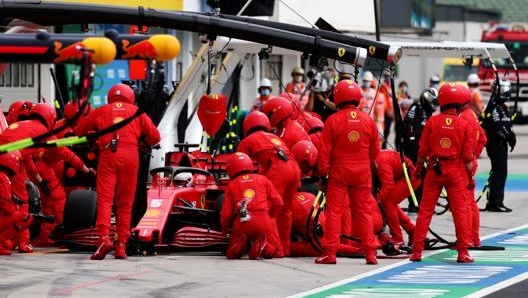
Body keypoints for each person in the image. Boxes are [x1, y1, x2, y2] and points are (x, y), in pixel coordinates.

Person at [75, 83, 161, 260]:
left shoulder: (101, 111)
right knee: (125, 202)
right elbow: (155, 137)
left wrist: (95, 134)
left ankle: (104, 239)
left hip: (109, 154)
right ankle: (121, 245)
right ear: (130, 97)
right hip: (131, 157)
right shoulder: (138, 112)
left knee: (105, 200)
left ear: (110, 96)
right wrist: (141, 142)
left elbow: (79, 131)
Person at [410, 83, 476, 263]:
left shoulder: (432, 121)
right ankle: (463, 252)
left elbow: (422, 151)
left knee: (425, 211)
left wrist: (417, 171)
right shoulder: (464, 124)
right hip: (455, 172)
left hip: (434, 170)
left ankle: (416, 252)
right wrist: (470, 179)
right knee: (459, 211)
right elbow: (468, 158)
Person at [315, 79, 380, 265]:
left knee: (334, 212)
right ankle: (370, 254)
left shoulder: (332, 121)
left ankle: (330, 253)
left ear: (338, 97)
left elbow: (324, 152)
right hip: (362, 172)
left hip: (340, 172)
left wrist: (323, 175)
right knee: (364, 212)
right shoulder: (368, 120)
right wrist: (365, 164)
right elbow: (375, 150)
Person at [236, 111, 300, 257]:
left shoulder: (246, 142)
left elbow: (242, 168)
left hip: (279, 171)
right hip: (294, 169)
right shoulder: (275, 137)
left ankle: (276, 249)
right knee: (286, 211)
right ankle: (285, 248)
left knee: (269, 210)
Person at [0, 103, 57, 253]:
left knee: (8, 206)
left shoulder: (21, 124)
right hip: (11, 162)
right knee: (21, 209)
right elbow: (64, 152)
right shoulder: (43, 131)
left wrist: (39, 180)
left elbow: (26, 159)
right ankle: (18, 241)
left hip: (8, 162)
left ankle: (12, 241)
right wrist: (86, 169)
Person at [220, 152, 283, 260]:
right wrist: (270, 216)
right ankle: (264, 246)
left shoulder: (231, 185)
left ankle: (240, 245)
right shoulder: (263, 179)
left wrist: (225, 231)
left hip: (242, 222)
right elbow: (279, 202)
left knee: (230, 254)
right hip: (263, 221)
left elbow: (226, 214)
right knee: (274, 251)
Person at [481, 79, 516, 212]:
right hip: (495, 144)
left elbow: (506, 124)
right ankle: (495, 203)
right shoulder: (494, 107)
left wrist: (511, 137)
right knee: (499, 172)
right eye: (506, 90)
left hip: (501, 144)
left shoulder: (502, 107)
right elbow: (497, 127)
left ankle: (495, 201)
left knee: (500, 171)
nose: (508, 93)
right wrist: (508, 137)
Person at [458, 85, 487, 247]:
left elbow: (463, 141)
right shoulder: (472, 114)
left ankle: (468, 239)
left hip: (464, 163)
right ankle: (474, 238)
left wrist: (469, 158)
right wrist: (475, 155)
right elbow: (482, 138)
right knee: (470, 202)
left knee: (465, 202)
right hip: (470, 161)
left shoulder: (464, 117)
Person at [374, 149, 420, 250]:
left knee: (388, 202)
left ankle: (397, 237)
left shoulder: (380, 161)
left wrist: (377, 200)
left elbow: (388, 186)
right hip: (404, 175)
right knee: (390, 203)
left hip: (409, 178)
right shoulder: (376, 158)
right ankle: (412, 230)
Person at [402, 87, 438, 211]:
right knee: (415, 175)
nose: (435, 106)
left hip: (422, 148)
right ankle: (414, 203)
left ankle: (422, 202)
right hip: (411, 148)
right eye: (433, 103)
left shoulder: (428, 113)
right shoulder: (416, 108)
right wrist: (412, 141)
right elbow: (407, 124)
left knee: (424, 175)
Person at [0, 150, 29, 255]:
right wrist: (16, 207)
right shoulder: (3, 178)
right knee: (23, 215)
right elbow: (7, 207)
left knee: (8, 245)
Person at [380, 70, 394, 149]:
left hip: (390, 111)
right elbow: (383, 100)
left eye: (388, 76)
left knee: (387, 130)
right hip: (385, 112)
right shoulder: (383, 86)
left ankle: (384, 146)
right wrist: (388, 110)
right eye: (386, 76)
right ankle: (383, 146)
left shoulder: (390, 86)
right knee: (384, 130)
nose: (387, 78)